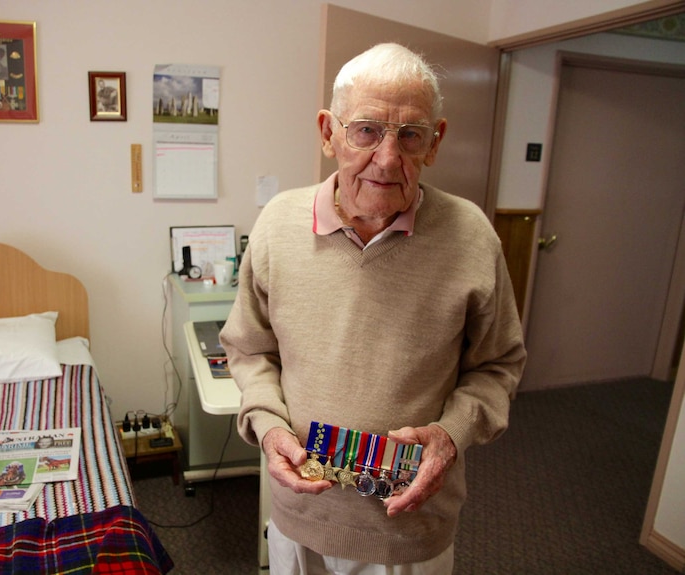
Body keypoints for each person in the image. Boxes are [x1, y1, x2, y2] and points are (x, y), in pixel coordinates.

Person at [219, 42, 526, 574]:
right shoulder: (276, 224)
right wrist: (269, 427)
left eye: (411, 135)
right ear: (327, 132)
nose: (387, 158)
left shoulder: (472, 236)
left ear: (436, 142)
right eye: (365, 130)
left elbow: (498, 367)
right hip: (299, 512)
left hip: (406, 527)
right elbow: (249, 350)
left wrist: (450, 436)